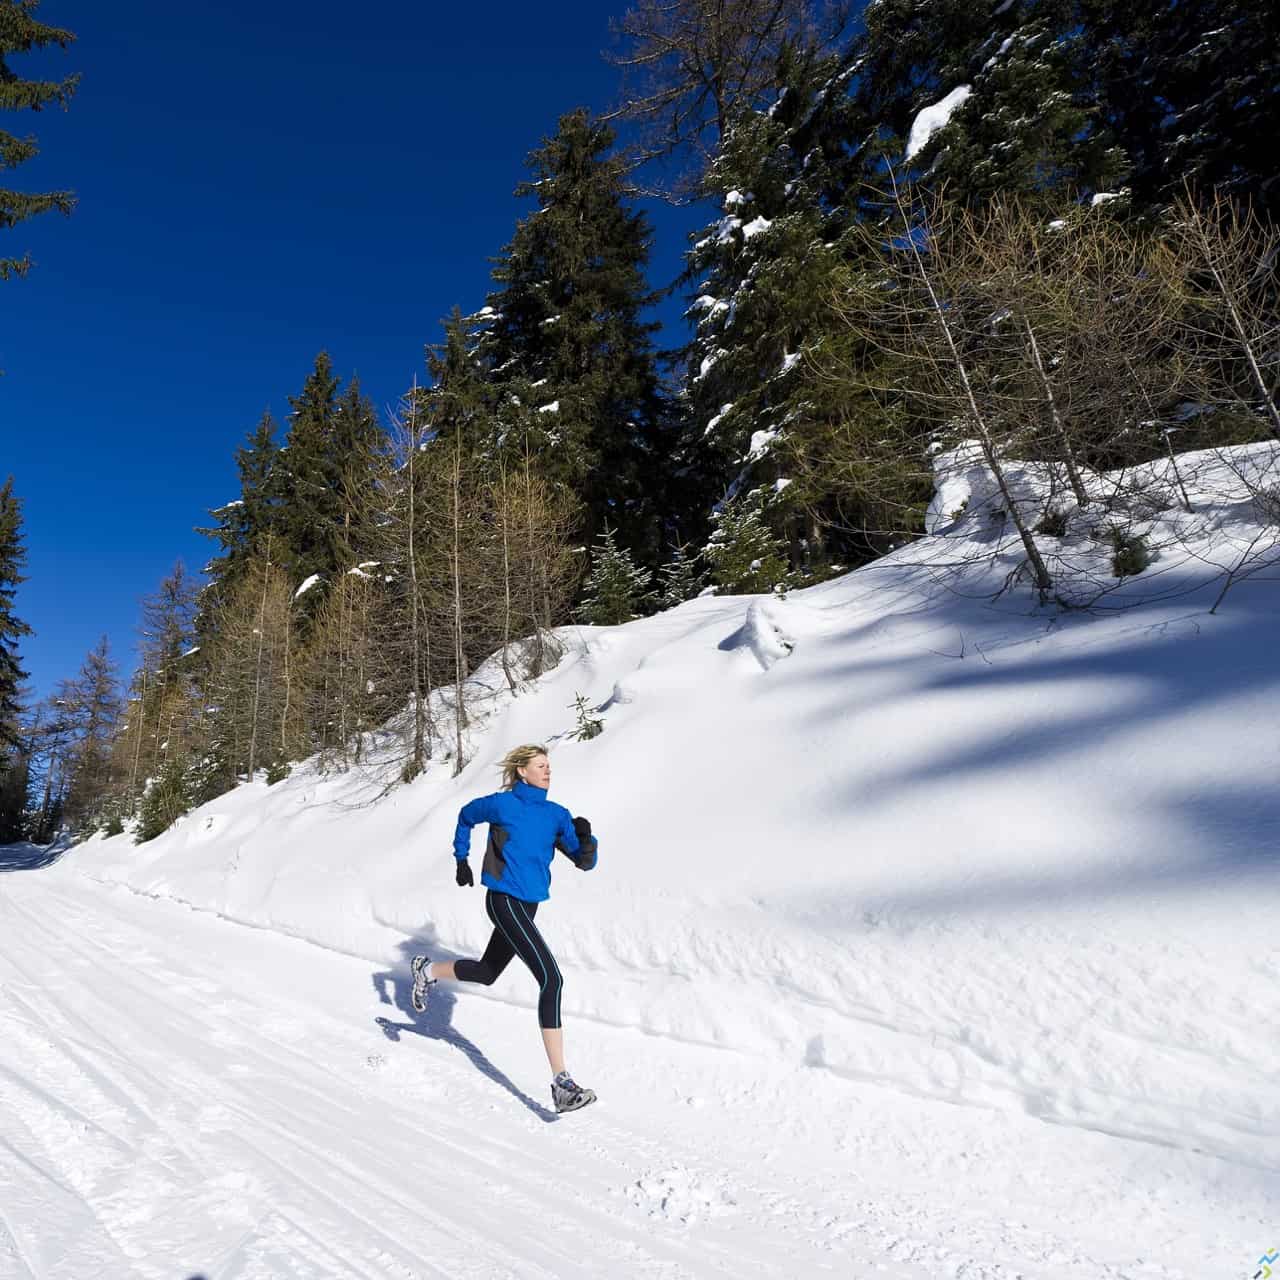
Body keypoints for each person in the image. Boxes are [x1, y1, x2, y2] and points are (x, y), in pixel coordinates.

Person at [410, 744, 599, 1114]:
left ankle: (426, 971)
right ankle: (562, 1082)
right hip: (503, 900)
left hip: (528, 907)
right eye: (540, 766)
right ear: (522, 771)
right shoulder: (502, 804)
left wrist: (586, 837)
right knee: (552, 979)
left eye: (549, 766)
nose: (547, 772)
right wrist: (461, 858)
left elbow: (583, 861)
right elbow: (466, 815)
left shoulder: (556, 815)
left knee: (487, 972)